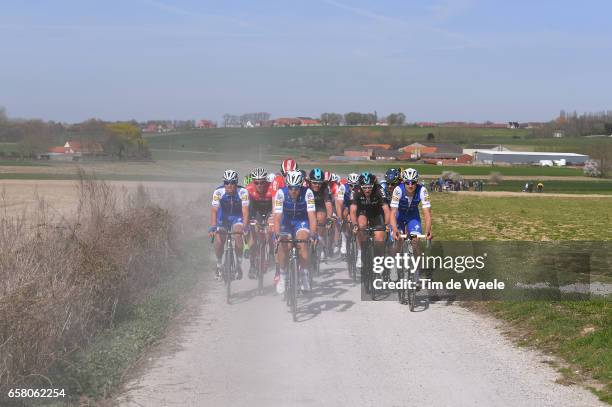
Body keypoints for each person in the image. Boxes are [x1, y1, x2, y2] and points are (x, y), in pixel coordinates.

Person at [273, 170, 318, 293]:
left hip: (301, 221)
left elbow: (312, 217)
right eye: (291, 188)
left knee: (303, 241)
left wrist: (313, 235)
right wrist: (277, 235)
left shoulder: (308, 193)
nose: (294, 191)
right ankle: (282, 276)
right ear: (287, 186)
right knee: (283, 244)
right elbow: (277, 218)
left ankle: (303, 275)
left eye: (297, 188)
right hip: (285, 222)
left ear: (301, 186)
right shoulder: (280, 193)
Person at [389, 168, 432, 281]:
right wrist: (394, 229)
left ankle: (417, 271)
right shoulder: (398, 190)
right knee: (398, 241)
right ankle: (393, 266)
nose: (410, 185)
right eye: (407, 182)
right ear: (403, 181)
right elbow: (392, 213)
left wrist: (428, 231)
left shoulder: (422, 190)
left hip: (413, 216)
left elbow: (427, 213)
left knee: (415, 241)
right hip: (399, 216)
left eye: (413, 182)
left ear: (417, 182)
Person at [209, 170, 249, 280]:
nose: (229, 185)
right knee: (218, 239)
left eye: (232, 183)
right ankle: (218, 264)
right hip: (223, 218)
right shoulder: (218, 192)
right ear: (224, 183)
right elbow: (214, 211)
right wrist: (213, 227)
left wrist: (245, 227)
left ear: (236, 183)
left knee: (238, 235)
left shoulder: (243, 192)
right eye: (226, 183)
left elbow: (245, 211)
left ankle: (239, 265)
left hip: (237, 217)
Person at [350, 172, 389, 269]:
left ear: (373, 185)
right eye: (365, 187)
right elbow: (353, 211)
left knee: (379, 238)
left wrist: (386, 225)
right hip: (362, 212)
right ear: (360, 186)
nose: (367, 190)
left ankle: (378, 260)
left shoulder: (379, 190)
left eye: (370, 187)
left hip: (376, 213)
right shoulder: (356, 190)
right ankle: (360, 252)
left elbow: (387, 210)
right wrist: (355, 225)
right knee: (361, 225)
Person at [245, 167, 274, 279]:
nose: (259, 185)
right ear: (253, 182)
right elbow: (248, 208)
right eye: (256, 183)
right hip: (255, 211)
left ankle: (271, 253)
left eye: (262, 182)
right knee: (252, 243)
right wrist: (251, 220)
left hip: (268, 211)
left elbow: (275, 207)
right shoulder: (249, 189)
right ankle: (252, 266)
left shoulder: (271, 188)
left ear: (266, 182)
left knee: (270, 231)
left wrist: (272, 219)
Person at [309, 168, 334, 259]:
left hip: (320, 207)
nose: (317, 185)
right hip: (307, 207)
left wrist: (329, 218)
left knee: (321, 217)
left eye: (319, 183)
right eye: (314, 183)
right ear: (310, 181)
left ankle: (319, 239)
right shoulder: (305, 186)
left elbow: (328, 204)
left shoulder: (325, 188)